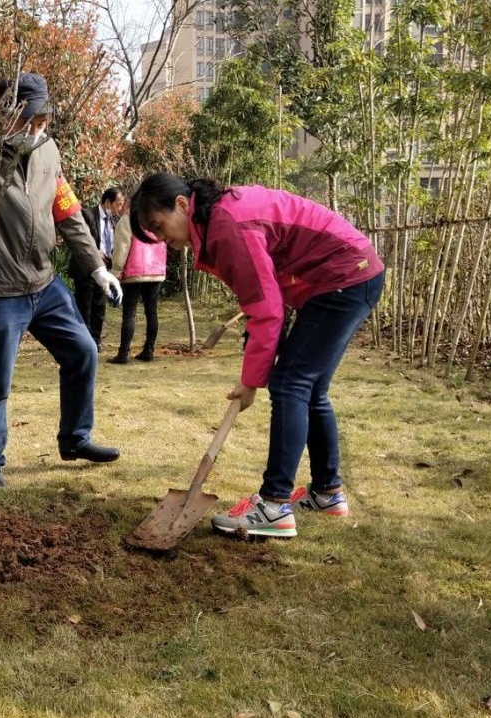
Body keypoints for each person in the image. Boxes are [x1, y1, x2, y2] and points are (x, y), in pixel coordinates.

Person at [130, 173, 385, 539]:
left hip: (343, 277)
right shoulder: (219, 218)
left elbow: (266, 310)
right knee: (310, 389)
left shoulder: (227, 225)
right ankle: (328, 493)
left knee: (291, 383)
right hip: (348, 276)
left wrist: (251, 381)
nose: (163, 240)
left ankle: (274, 505)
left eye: (159, 225)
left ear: (183, 205)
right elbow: (265, 300)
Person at [0, 72, 123, 487]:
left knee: (83, 351)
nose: (39, 127)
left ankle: (75, 438)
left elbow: (68, 212)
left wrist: (96, 267)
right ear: (9, 113)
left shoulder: (48, 151)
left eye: (44, 118)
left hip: (44, 281)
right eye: (31, 118)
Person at [108, 198, 167, 363]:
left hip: (134, 272)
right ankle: (149, 350)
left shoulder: (128, 219)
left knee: (130, 314)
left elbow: (121, 247)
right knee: (152, 312)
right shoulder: (159, 218)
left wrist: (116, 272)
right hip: (156, 271)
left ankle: (123, 353)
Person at [71, 188, 125, 347]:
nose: (119, 209)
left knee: (100, 307)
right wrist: (94, 252)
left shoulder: (115, 220)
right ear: (107, 202)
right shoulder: (87, 215)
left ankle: (95, 340)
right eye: (118, 204)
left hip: (105, 269)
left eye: (121, 205)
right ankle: (83, 342)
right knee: (84, 307)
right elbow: (80, 239)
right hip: (85, 269)